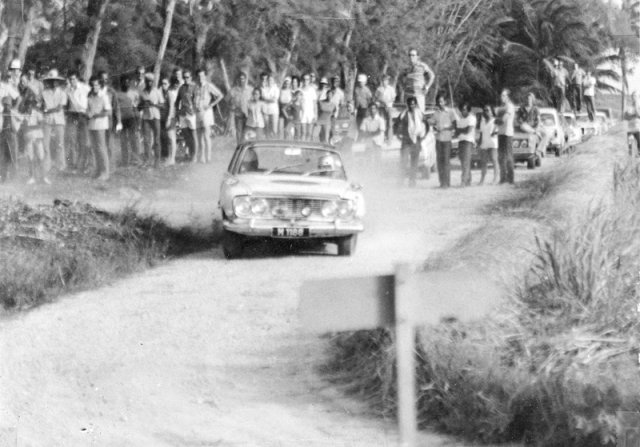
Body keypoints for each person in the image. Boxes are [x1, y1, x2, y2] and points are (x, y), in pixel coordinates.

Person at [394, 96, 426, 187]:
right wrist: (398, 135)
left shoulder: (419, 113)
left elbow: (426, 124)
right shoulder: (404, 114)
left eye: (413, 104)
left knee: (414, 163)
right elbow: (396, 124)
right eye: (410, 104)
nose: (412, 105)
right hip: (406, 141)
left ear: (415, 104)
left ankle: (412, 182)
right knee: (403, 161)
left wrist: (423, 136)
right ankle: (400, 182)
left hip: (416, 141)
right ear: (407, 105)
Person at [41, 69, 68, 172]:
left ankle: (60, 165)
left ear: (58, 81)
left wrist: (47, 110)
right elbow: (40, 106)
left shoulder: (62, 93)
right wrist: (43, 109)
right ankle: (46, 165)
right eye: (51, 80)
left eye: (55, 80)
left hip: (59, 120)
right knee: (45, 143)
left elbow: (59, 108)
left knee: (59, 143)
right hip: (47, 120)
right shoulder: (44, 93)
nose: (53, 82)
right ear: (48, 81)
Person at [194, 68, 223, 162]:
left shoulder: (208, 85)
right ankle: (202, 157)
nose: (200, 78)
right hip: (197, 112)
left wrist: (211, 105)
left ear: (205, 76)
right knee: (200, 136)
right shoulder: (195, 86)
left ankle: (208, 157)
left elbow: (220, 95)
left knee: (206, 135)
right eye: (198, 76)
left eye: (202, 76)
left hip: (206, 112)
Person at [20, 88, 48, 184]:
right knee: (30, 157)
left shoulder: (37, 113)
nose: (29, 106)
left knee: (40, 156)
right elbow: (23, 127)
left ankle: (43, 177)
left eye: (31, 104)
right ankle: (32, 177)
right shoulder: (24, 114)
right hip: (28, 137)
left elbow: (41, 124)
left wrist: (30, 127)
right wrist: (26, 126)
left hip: (38, 137)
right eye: (28, 104)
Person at [87, 75, 111, 180]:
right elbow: (88, 109)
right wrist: (88, 113)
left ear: (100, 86)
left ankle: (105, 172)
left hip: (101, 125)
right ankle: (98, 171)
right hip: (92, 125)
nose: (94, 87)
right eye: (92, 85)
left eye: (96, 85)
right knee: (94, 148)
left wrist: (96, 115)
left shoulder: (104, 96)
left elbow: (108, 111)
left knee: (101, 148)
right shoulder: (90, 96)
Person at [65, 71, 91, 172]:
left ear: (77, 79)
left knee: (84, 141)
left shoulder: (85, 88)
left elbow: (92, 99)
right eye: (70, 79)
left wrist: (89, 112)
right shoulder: (67, 89)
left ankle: (84, 165)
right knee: (72, 140)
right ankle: (74, 164)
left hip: (83, 115)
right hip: (72, 116)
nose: (72, 81)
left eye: (74, 79)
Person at [431, 92, 458, 188]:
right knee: (440, 161)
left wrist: (445, 128)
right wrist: (434, 127)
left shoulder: (450, 111)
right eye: (438, 102)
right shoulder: (436, 113)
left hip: (447, 139)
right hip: (438, 139)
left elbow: (455, 125)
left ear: (445, 102)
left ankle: (447, 183)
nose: (440, 103)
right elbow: (433, 124)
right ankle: (441, 182)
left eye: (441, 101)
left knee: (446, 161)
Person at [0, 61, 21, 182]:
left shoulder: (5, 86)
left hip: (4, 117)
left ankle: (9, 175)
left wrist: (14, 108)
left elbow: (18, 97)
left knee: (8, 147)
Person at [139, 73, 164, 168]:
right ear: (145, 81)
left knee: (157, 140)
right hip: (146, 118)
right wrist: (142, 104)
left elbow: (162, 105)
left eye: (151, 81)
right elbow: (139, 107)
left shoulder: (157, 91)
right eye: (147, 81)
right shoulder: (142, 92)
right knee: (146, 140)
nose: (149, 83)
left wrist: (153, 104)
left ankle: (157, 161)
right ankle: (147, 160)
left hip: (156, 117)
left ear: (153, 82)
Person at [116, 75, 141, 167]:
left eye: (128, 82)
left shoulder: (134, 93)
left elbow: (137, 107)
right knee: (123, 140)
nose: (126, 84)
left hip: (131, 119)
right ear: (121, 83)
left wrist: (138, 120)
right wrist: (118, 121)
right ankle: (125, 161)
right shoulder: (117, 95)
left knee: (133, 140)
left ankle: (135, 160)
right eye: (124, 82)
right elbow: (116, 108)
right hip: (122, 119)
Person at [99, 71, 122, 168]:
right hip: (98, 120)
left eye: (106, 79)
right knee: (100, 143)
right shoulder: (95, 90)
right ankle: (101, 164)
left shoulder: (111, 91)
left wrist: (119, 121)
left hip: (109, 120)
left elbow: (116, 107)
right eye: (102, 78)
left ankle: (111, 165)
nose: (104, 81)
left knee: (109, 142)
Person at [175, 69, 198, 161]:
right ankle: (190, 153)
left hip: (191, 114)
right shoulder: (181, 88)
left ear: (191, 77)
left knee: (193, 134)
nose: (185, 79)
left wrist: (194, 110)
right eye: (184, 77)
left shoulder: (194, 87)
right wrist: (178, 110)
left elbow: (196, 101)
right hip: (183, 114)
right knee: (186, 135)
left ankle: (195, 156)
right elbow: (177, 101)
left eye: (187, 77)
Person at [516, 92, 548, 156]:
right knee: (523, 126)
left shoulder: (535, 109)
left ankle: (538, 150)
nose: (528, 100)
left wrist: (537, 127)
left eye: (530, 99)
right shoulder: (521, 109)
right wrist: (521, 122)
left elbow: (539, 120)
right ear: (525, 100)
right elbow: (517, 119)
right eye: (527, 99)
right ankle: (535, 133)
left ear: (532, 100)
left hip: (534, 127)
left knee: (546, 134)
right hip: (525, 126)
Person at [496, 88, 516, 184]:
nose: (501, 97)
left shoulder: (510, 107)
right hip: (501, 133)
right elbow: (497, 120)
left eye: (503, 95)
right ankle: (502, 178)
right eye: (501, 95)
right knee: (501, 157)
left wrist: (497, 120)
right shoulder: (501, 107)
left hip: (508, 133)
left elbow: (502, 120)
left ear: (508, 97)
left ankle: (511, 178)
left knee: (508, 157)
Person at [359, 102, 386, 167]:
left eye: (374, 108)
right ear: (368, 110)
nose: (372, 110)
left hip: (377, 143)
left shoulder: (380, 120)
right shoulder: (366, 120)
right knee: (368, 161)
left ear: (376, 110)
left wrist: (369, 133)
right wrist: (368, 134)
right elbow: (362, 131)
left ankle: (378, 175)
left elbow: (380, 131)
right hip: (368, 143)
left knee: (378, 161)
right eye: (371, 109)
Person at [455, 102, 476, 187]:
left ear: (468, 110)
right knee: (463, 162)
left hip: (468, 142)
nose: (463, 111)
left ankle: (463, 181)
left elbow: (468, 130)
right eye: (461, 110)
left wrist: (460, 130)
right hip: (461, 142)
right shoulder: (460, 120)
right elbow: (457, 132)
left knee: (465, 162)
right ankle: (468, 181)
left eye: (464, 109)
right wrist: (461, 130)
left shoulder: (472, 118)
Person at [229, 71, 253, 144]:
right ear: (237, 80)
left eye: (243, 79)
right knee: (239, 131)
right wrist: (232, 107)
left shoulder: (251, 89)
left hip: (249, 114)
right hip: (238, 114)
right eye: (240, 79)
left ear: (246, 79)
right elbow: (226, 100)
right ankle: (240, 147)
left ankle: (248, 146)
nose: (241, 80)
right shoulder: (233, 90)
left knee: (248, 131)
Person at [160, 76, 179, 165]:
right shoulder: (163, 93)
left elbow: (172, 106)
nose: (163, 85)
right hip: (165, 117)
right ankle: (169, 157)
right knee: (168, 139)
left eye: (165, 83)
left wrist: (168, 119)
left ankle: (173, 159)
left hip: (170, 118)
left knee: (172, 138)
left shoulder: (169, 93)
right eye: (162, 83)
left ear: (169, 84)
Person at [478, 104, 498, 185]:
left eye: (488, 110)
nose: (486, 112)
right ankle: (482, 179)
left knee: (494, 160)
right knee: (483, 162)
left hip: (493, 144)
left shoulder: (495, 121)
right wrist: (479, 144)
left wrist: (495, 133)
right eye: (485, 110)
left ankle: (495, 179)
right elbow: (481, 134)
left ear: (491, 112)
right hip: (484, 144)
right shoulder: (482, 122)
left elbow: (498, 131)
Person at [375, 74, 396, 140]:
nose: (384, 82)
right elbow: (376, 98)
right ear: (382, 81)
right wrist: (381, 101)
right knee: (382, 121)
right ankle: (382, 136)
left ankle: (389, 136)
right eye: (383, 80)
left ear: (388, 81)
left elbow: (393, 98)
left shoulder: (391, 89)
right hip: (381, 107)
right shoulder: (379, 89)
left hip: (389, 107)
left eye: (386, 80)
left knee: (389, 121)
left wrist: (388, 102)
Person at [259, 73, 279, 138]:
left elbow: (275, 99)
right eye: (268, 80)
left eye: (271, 80)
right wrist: (270, 98)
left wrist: (266, 99)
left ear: (274, 81)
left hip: (274, 111)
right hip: (266, 110)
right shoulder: (264, 88)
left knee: (274, 129)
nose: (269, 81)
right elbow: (263, 97)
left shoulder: (276, 88)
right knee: (267, 129)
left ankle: (274, 143)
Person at [300, 73, 317, 140]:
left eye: (307, 79)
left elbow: (315, 103)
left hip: (310, 113)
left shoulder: (312, 90)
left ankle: (308, 149)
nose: (305, 81)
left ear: (309, 80)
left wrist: (315, 115)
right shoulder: (300, 90)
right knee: (303, 132)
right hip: (302, 113)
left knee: (309, 133)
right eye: (304, 79)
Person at [624, 91, 640, 156]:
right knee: (630, 146)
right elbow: (625, 116)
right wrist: (633, 116)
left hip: (638, 128)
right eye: (633, 96)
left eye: (635, 96)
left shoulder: (639, 105)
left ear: (638, 97)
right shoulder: (629, 106)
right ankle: (630, 160)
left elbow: (639, 115)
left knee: (639, 144)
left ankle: (638, 160)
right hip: (630, 129)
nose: (634, 97)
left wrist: (636, 109)